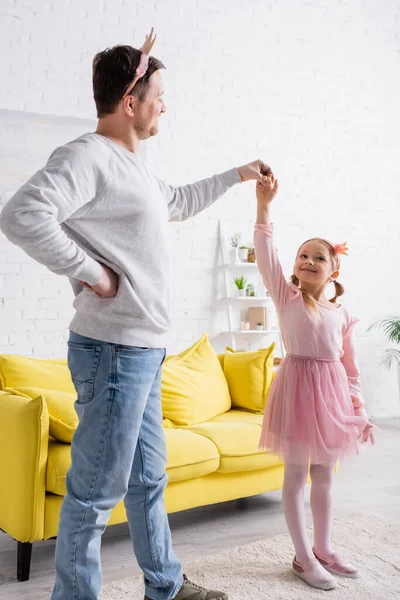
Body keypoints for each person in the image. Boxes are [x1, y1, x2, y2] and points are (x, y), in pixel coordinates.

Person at [0, 29, 273, 600]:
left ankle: (166, 586)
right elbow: (21, 213)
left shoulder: (134, 167)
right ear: (131, 101)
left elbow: (177, 202)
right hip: (114, 353)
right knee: (96, 493)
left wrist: (236, 175)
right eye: (159, 96)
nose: (164, 106)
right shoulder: (86, 156)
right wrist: (91, 273)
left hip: (144, 352)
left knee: (149, 480)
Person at [253, 174, 375, 591]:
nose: (306, 260)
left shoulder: (342, 315)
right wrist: (264, 206)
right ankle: (302, 557)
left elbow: (351, 368)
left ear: (333, 269)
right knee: (295, 476)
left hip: (332, 396)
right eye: (302, 255)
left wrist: (359, 411)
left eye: (317, 257)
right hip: (298, 392)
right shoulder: (286, 297)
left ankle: (323, 548)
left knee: (325, 476)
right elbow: (266, 252)